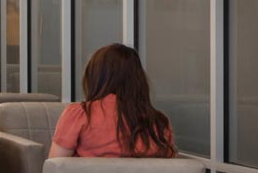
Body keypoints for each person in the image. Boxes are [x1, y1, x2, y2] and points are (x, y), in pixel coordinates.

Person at [50, 43, 178, 159]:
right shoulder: (160, 122)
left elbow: (55, 167)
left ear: (95, 77)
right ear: (138, 79)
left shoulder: (80, 114)